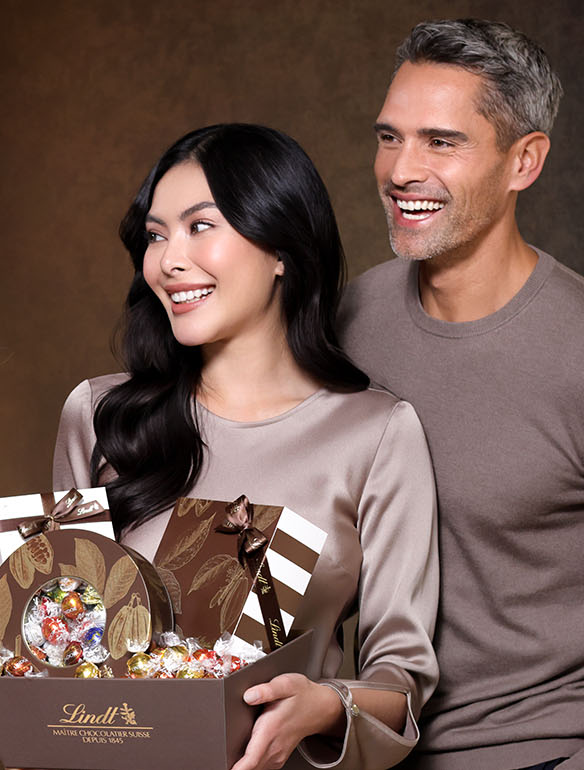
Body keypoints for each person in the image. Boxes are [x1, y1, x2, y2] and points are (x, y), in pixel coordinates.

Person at [53, 124, 439, 770]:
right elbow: (58, 638)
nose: (168, 261)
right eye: (156, 235)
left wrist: (324, 705)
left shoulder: (376, 433)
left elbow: (402, 679)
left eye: (201, 226)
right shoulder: (98, 415)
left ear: (281, 248)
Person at [341, 19, 584, 770]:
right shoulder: (343, 322)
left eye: (440, 142)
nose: (400, 170)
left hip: (543, 750)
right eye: (390, 137)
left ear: (524, 162)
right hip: (367, 747)